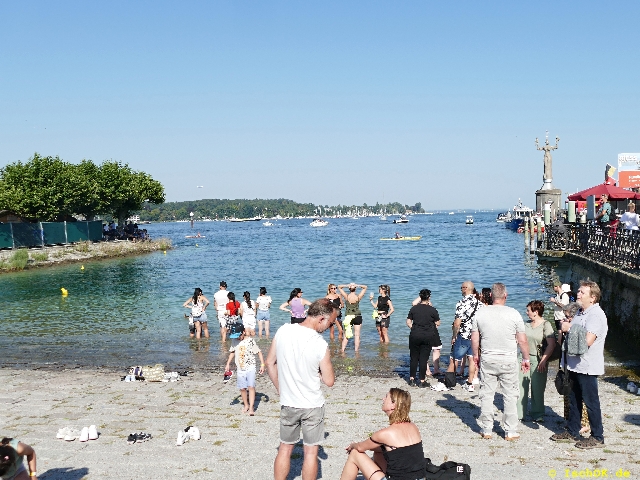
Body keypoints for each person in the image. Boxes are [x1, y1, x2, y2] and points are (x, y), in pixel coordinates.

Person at [265, 298, 338, 480]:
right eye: (330, 323)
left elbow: (269, 363)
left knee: (284, 448)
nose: (330, 327)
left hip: (288, 402)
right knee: (311, 453)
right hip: (312, 404)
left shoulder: (283, 330)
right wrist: (318, 373)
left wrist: (280, 388)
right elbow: (329, 381)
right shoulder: (320, 344)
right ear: (321, 318)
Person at [551, 280, 608, 449]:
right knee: (574, 400)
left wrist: (569, 327)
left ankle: (597, 436)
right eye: (579, 291)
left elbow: (588, 341)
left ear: (593, 297)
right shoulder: (581, 312)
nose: (578, 293)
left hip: (587, 366)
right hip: (574, 365)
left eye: (582, 292)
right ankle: (572, 431)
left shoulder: (595, 315)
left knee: (591, 402)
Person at [471, 282, 530, 441]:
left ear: (491, 295)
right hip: (508, 359)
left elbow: (475, 338)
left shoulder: (480, 313)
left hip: (488, 357)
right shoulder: (514, 313)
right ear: (505, 295)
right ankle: (510, 431)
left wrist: (475, 355)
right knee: (510, 395)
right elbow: (522, 340)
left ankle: (487, 429)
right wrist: (526, 358)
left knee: (486, 394)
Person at [339, 388, 424, 480]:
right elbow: (402, 451)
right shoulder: (413, 427)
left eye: (386, 397)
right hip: (420, 478)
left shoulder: (385, 434)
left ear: (393, 405)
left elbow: (360, 447)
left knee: (355, 454)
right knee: (380, 450)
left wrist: (353, 445)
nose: (383, 399)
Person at [518, 300, 556, 422]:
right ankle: (520, 413)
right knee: (521, 387)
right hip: (523, 358)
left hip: (538, 359)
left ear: (536, 312)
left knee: (537, 388)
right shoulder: (526, 325)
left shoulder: (546, 325)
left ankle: (537, 414)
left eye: (528, 310)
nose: (526, 312)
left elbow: (551, 345)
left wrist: (543, 360)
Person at [559, 302, 590, 435]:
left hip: (579, 366)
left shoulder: (577, 329)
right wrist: (561, 331)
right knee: (568, 393)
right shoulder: (567, 328)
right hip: (567, 364)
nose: (565, 319)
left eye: (567, 317)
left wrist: (569, 328)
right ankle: (571, 420)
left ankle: (584, 423)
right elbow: (560, 344)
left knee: (581, 396)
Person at [448, 281, 482, 392]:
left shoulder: (461, 303)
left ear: (466, 288)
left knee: (454, 358)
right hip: (475, 336)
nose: (461, 289)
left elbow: (457, 323)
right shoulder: (480, 304)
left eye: (462, 287)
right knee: (472, 359)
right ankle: (470, 383)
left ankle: (448, 383)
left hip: (463, 335)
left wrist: (454, 336)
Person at [224, 327, 265, 415]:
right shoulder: (234, 341)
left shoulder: (250, 341)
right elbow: (232, 352)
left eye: (238, 336)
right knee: (242, 388)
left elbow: (259, 352)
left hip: (251, 367)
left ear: (243, 332)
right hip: (240, 368)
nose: (237, 338)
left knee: (251, 386)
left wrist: (262, 364)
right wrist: (228, 363)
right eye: (235, 336)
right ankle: (246, 405)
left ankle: (251, 407)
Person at [406, 289, 441, 387]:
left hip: (415, 334)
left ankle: (412, 379)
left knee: (414, 358)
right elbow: (438, 323)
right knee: (423, 358)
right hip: (427, 336)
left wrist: (414, 328)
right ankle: (422, 381)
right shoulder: (432, 310)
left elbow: (408, 322)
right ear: (429, 297)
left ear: (420, 297)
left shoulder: (414, 309)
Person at [338, 283, 368, 352]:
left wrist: (347, 285)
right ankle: (356, 350)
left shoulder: (346, 296)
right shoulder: (358, 297)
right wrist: (357, 285)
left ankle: (342, 350)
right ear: (355, 289)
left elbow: (339, 287)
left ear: (349, 289)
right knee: (357, 335)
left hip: (348, 317)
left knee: (346, 335)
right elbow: (365, 287)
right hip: (357, 316)